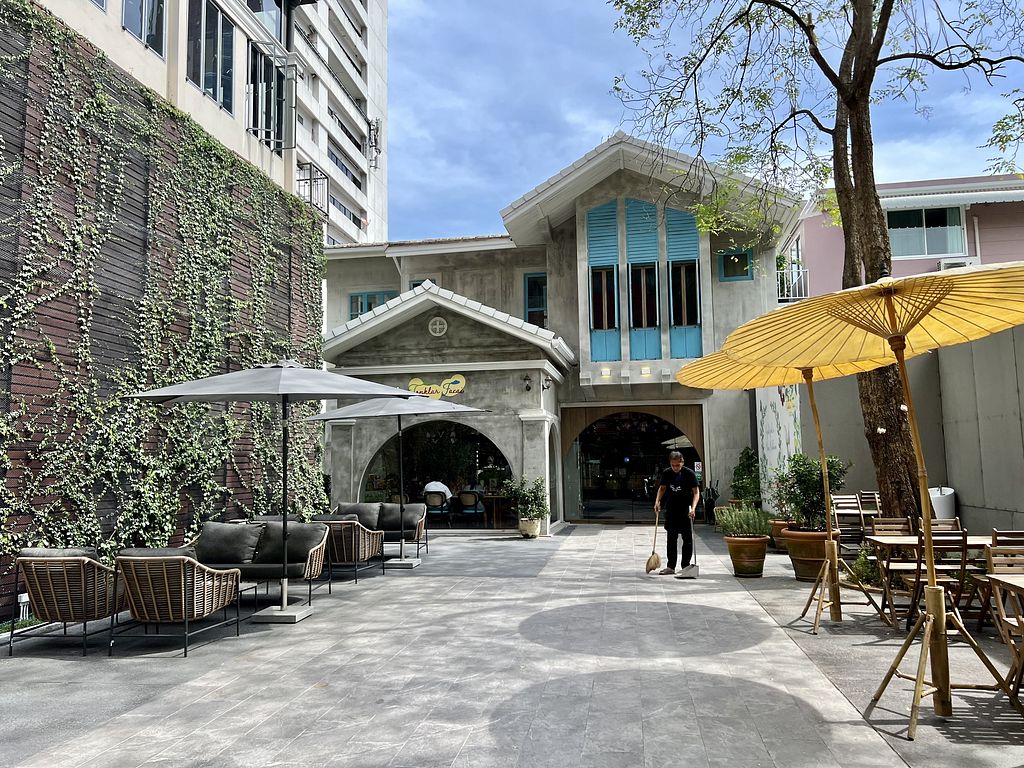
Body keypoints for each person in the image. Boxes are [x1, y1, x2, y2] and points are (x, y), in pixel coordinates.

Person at [654, 451, 700, 576]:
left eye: (677, 465)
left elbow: (696, 492)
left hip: (686, 510)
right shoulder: (667, 473)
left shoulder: (689, 474)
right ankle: (671, 566)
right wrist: (657, 502)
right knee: (671, 539)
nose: (675, 468)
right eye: (673, 465)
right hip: (671, 509)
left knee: (687, 539)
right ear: (670, 463)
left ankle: (686, 566)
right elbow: (662, 488)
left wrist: (693, 508)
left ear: (682, 462)